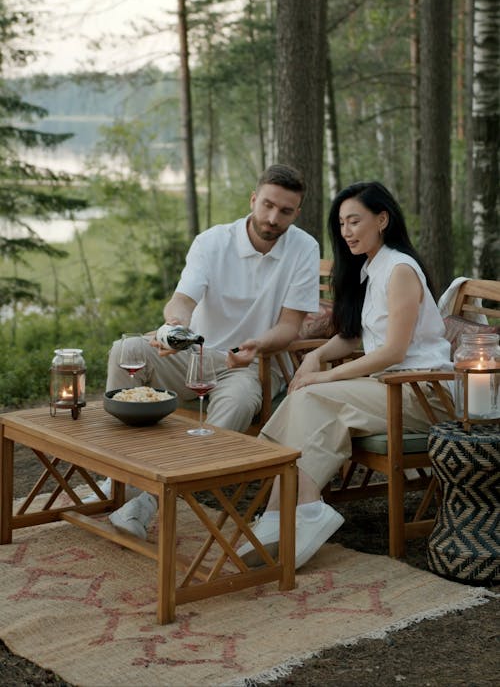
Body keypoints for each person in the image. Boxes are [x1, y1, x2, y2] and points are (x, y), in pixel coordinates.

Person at [236, 180, 453, 570]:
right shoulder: (371, 268)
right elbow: (353, 335)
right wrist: (316, 357)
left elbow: (394, 351)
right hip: (388, 388)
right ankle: (279, 516)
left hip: (424, 391)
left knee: (313, 397)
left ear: (382, 219)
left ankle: (299, 510)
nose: (346, 232)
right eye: (341, 224)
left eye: (355, 221)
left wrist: (327, 378)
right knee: (305, 399)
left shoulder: (400, 269)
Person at [98, 164, 320, 538]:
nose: (272, 218)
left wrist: (257, 345)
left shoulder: (304, 248)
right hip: (195, 354)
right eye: (267, 205)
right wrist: (175, 328)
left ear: (296, 212)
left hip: (249, 366)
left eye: (285, 211)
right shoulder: (213, 241)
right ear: (253, 199)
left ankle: (148, 500)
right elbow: (183, 300)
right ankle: (120, 473)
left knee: (236, 404)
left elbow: (289, 327)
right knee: (126, 349)